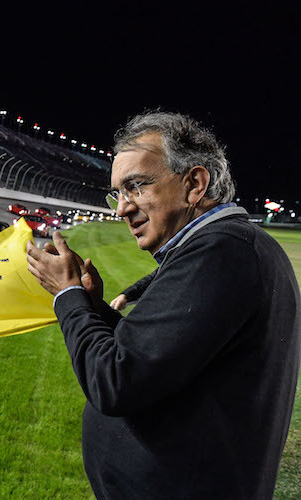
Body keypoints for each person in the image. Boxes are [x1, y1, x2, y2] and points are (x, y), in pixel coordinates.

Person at [26, 111, 300, 499]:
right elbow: (157, 357)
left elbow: (114, 381)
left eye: (136, 186)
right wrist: (95, 309)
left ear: (194, 183)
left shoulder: (222, 251)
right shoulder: (226, 247)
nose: (122, 208)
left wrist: (67, 295)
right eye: (118, 193)